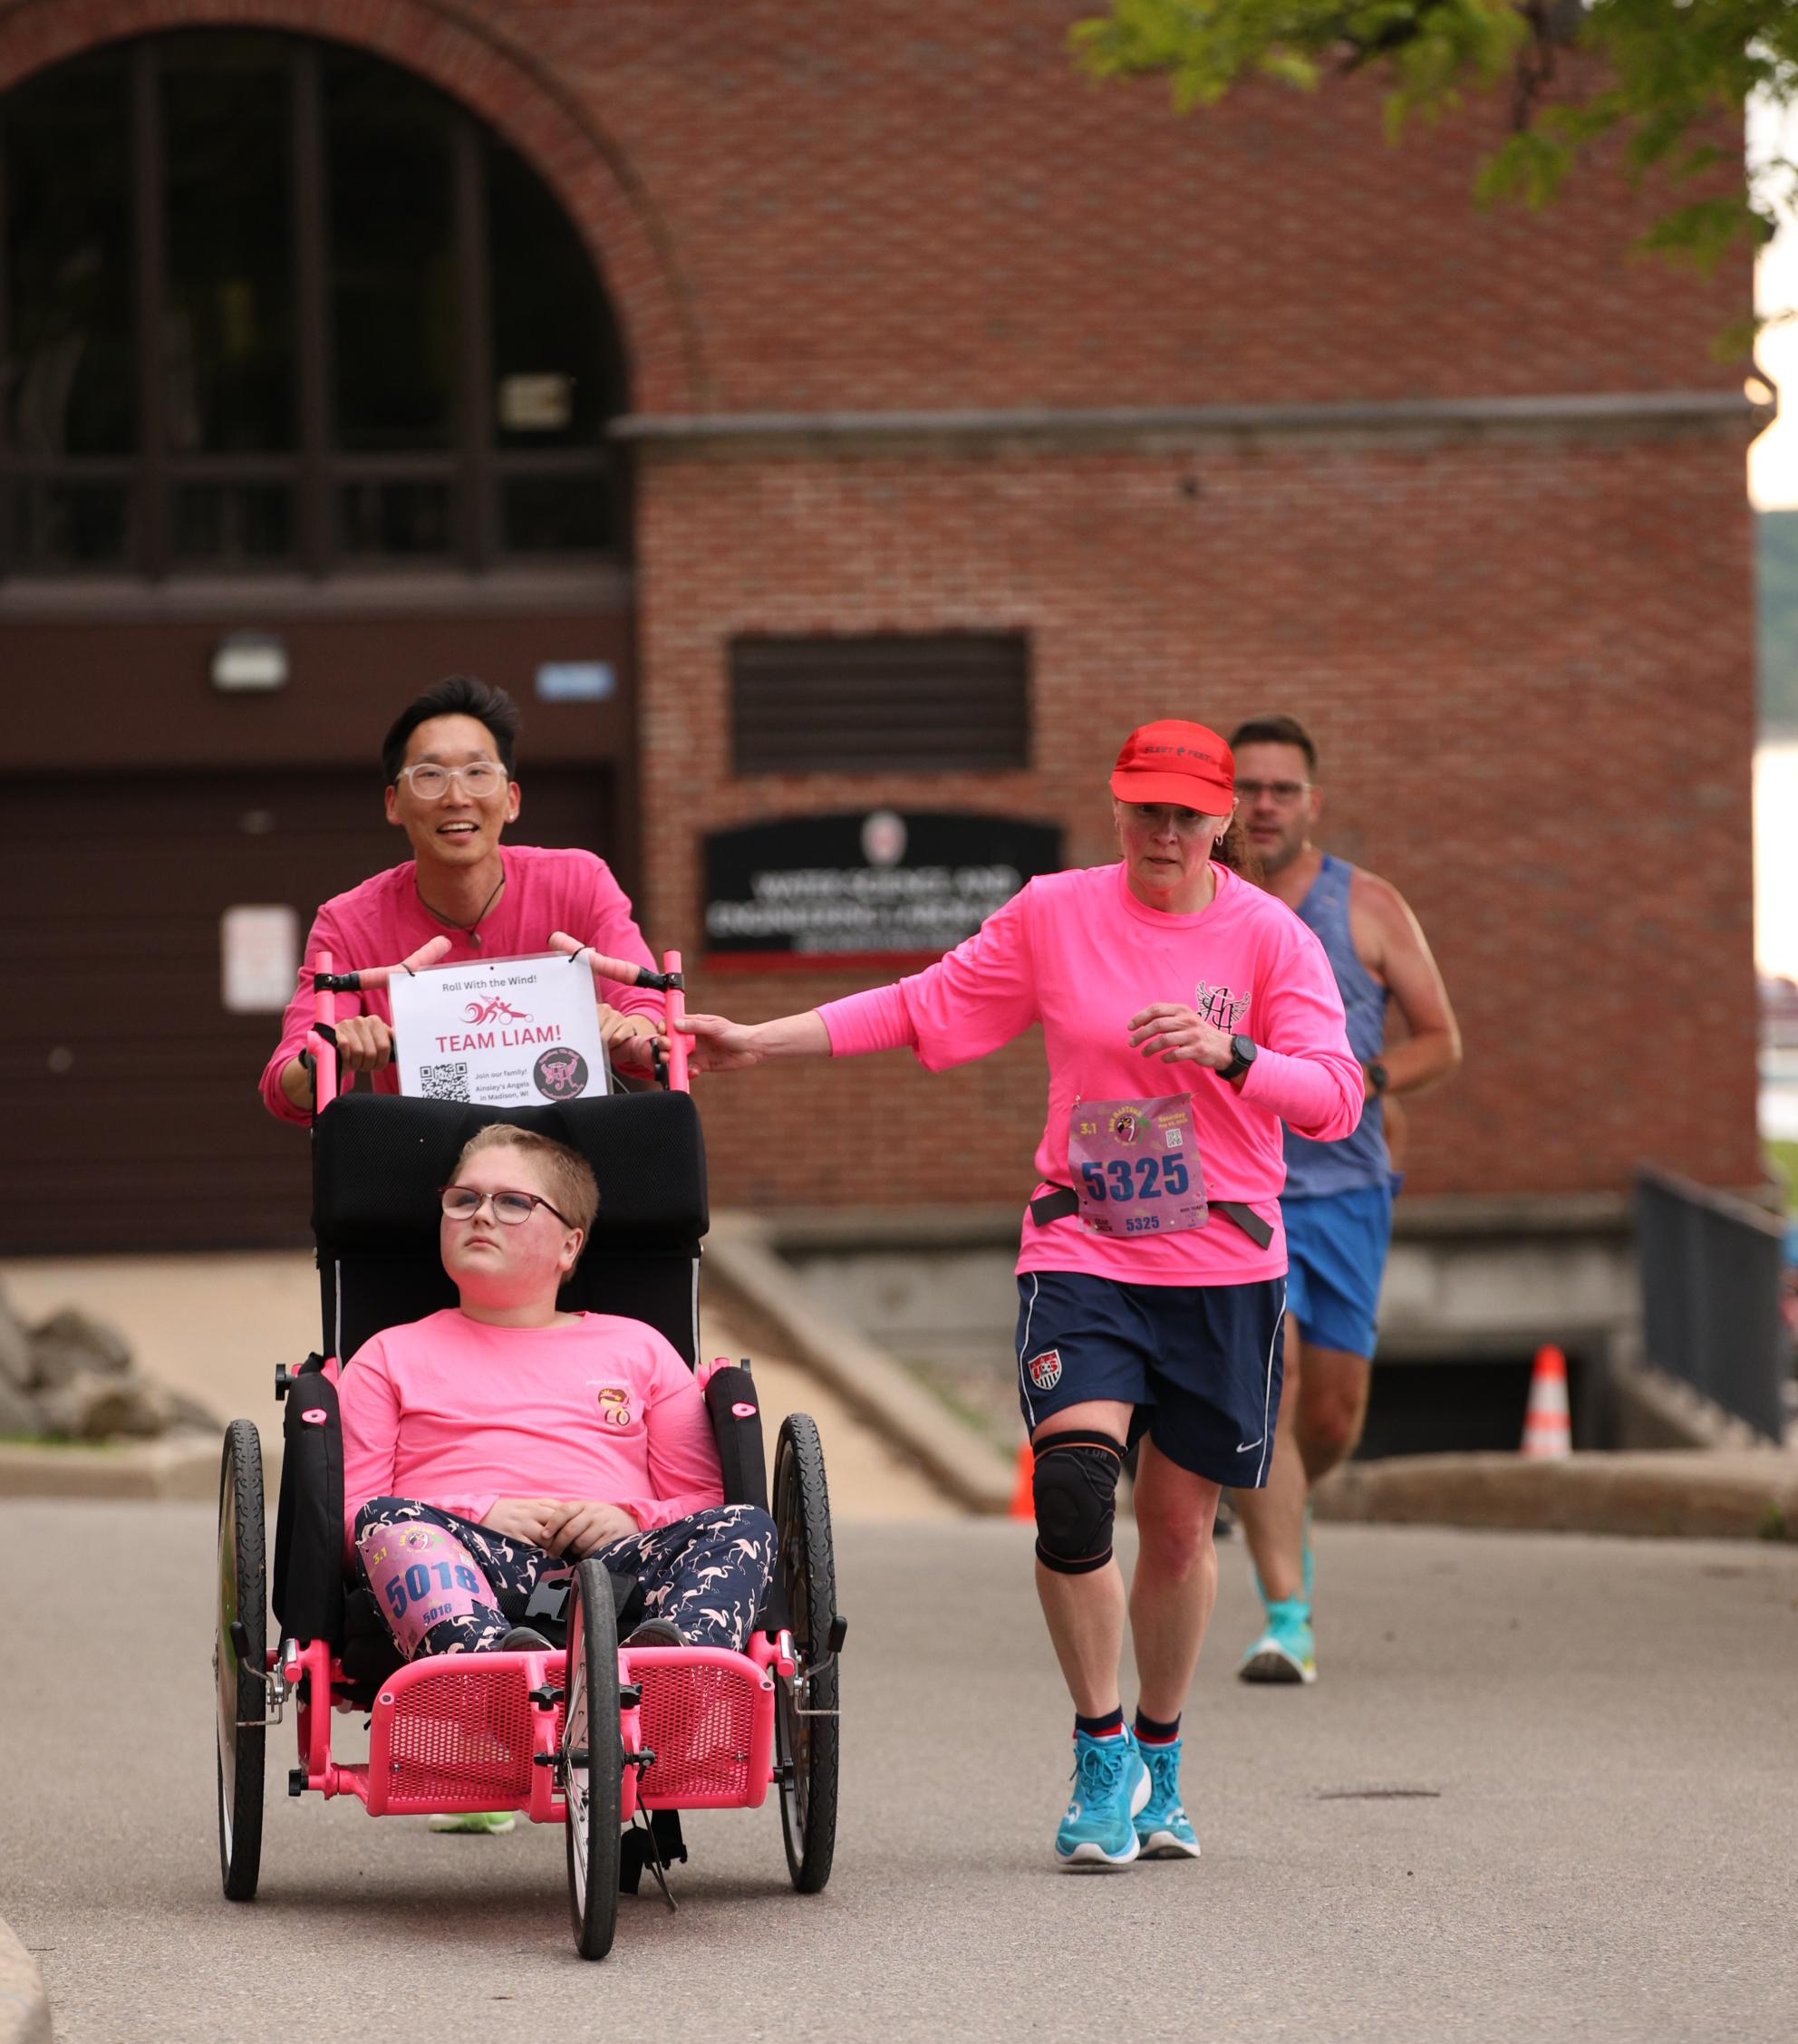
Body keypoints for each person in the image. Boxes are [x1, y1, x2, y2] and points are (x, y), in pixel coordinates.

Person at [680, 718, 1363, 1871]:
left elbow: (1335, 1098)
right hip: (1083, 1246)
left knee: (1179, 1530)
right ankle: (1100, 1749)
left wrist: (1231, 1054)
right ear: (1116, 806)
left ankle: (1160, 1757)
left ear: (1219, 823)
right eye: (1144, 807)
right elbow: (922, 1004)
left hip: (1221, 1263)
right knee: (1073, 1492)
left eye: (1185, 814)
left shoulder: (1268, 938)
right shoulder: (1056, 912)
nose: (1162, 830)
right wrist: (759, 1041)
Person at [339, 1119, 778, 1832]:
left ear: (570, 1244)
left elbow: (700, 1498)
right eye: (463, 1199)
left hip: (621, 1565)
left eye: (513, 1202)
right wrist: (479, 1512)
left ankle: (669, 1684)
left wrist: (631, 1517)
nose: (482, 1215)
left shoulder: (640, 1348)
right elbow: (352, 1514)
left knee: (746, 1524)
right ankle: (499, 1689)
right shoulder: (388, 1356)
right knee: (387, 1526)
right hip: (472, 1566)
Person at [1226, 716, 1462, 1686]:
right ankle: (1287, 1617)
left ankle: (1273, 1498)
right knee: (1270, 1388)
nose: (1263, 806)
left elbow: (1441, 1039)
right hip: (1238, 1190)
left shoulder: (1366, 904)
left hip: (1348, 1188)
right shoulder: (1205, 902)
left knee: (1330, 1419)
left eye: (1281, 789)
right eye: (1246, 787)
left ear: (1312, 801)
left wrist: (1366, 1080)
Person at [261, 674, 665, 1122]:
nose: (456, 797)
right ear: (393, 803)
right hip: (429, 1154)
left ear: (511, 799)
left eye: (477, 773)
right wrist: (329, 1054)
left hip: (566, 1151)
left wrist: (630, 1030)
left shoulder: (579, 881)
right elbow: (285, 1087)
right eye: (430, 775)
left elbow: (648, 1011)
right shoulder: (348, 922)